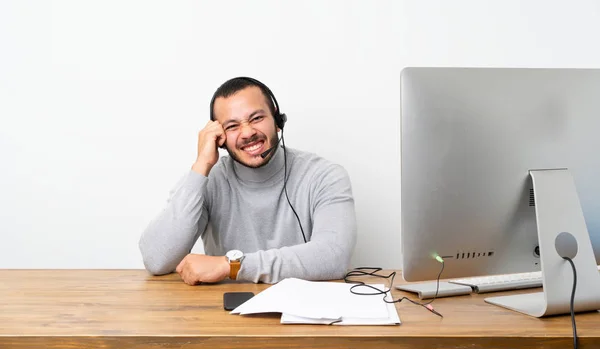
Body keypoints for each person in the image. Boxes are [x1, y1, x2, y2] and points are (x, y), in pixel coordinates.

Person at [138, 77, 357, 285]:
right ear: (220, 138)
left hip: (303, 315)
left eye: (257, 118)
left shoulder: (325, 176)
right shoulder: (207, 180)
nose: (247, 133)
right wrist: (201, 164)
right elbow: (157, 259)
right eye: (232, 126)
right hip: (225, 314)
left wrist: (231, 265)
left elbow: (333, 256)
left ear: (278, 120)